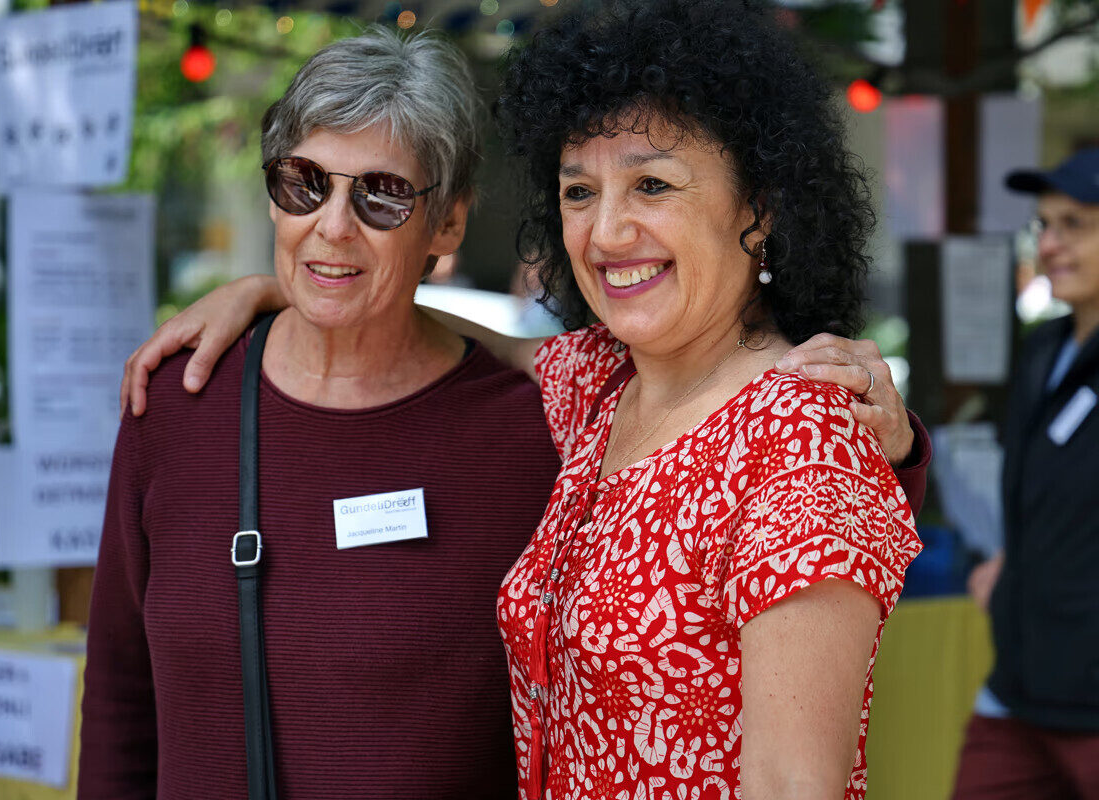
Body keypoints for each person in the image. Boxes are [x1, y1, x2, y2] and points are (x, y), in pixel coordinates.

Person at [125, 4, 929, 799]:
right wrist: (286, 291)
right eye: (580, 192)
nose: (608, 233)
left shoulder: (801, 434)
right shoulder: (602, 388)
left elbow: (795, 785)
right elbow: (471, 334)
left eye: (652, 184)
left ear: (762, 206)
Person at [78, 29, 565, 800]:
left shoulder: (530, 436)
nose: (333, 225)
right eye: (305, 183)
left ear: (447, 224)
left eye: (381, 194)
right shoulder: (175, 405)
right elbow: (118, 702)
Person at [952, 147, 1099, 799]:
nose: (1052, 243)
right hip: (1017, 688)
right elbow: (1047, 497)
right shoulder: (1044, 349)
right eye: (1044, 225)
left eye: (1075, 224)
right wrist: (1014, 559)